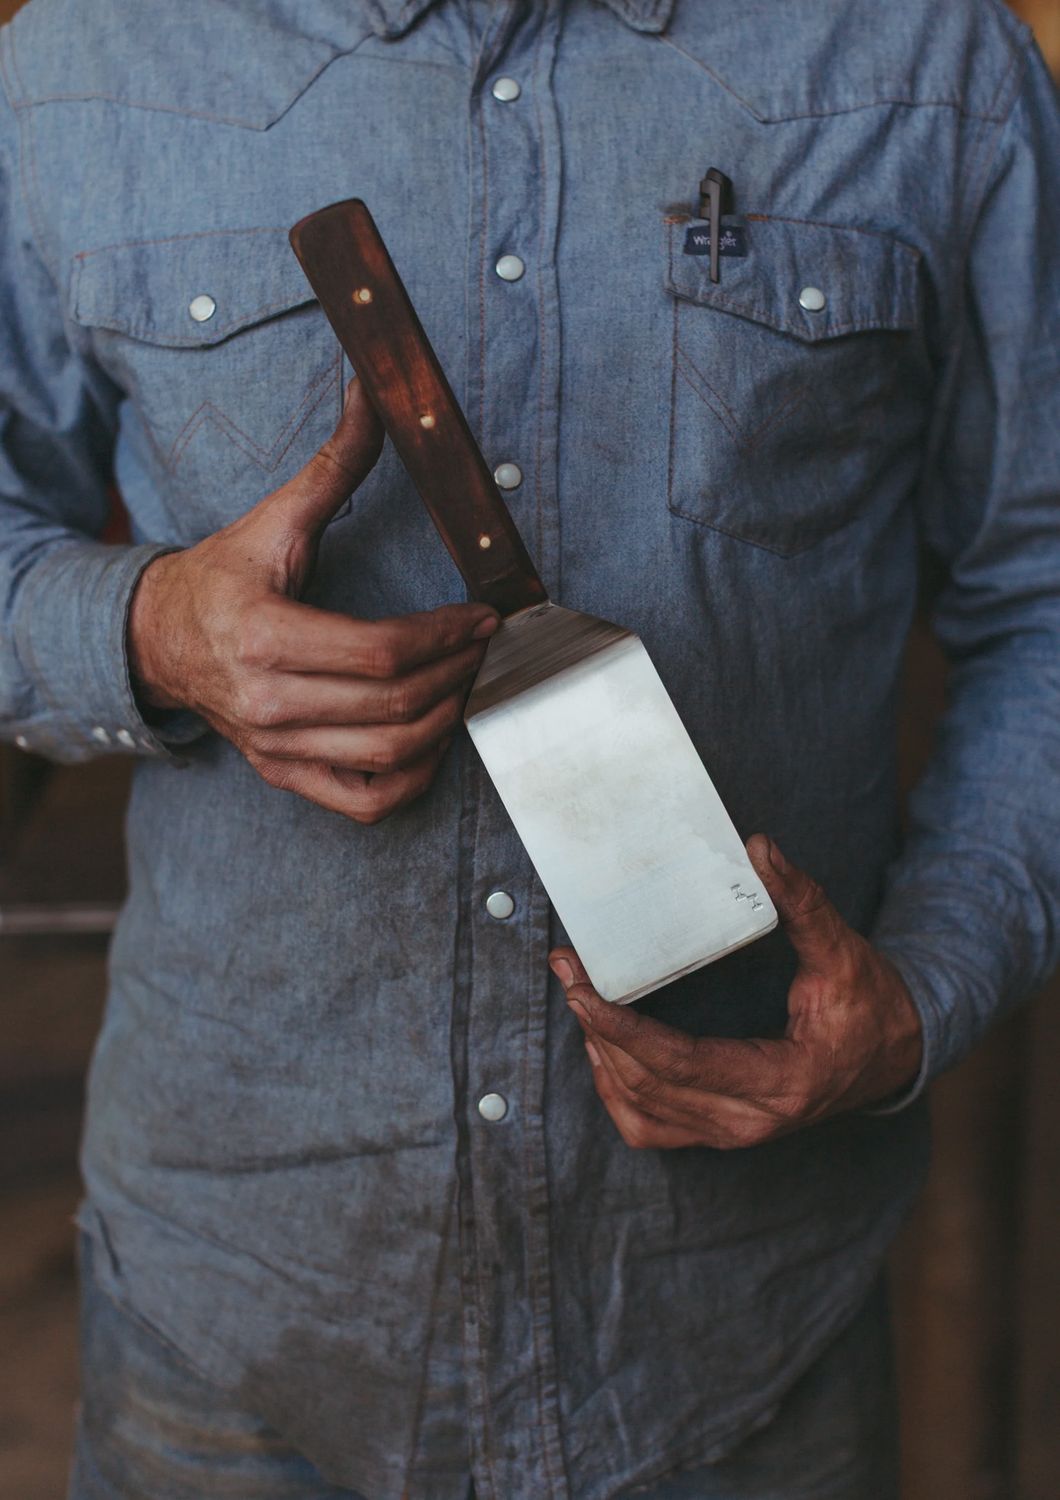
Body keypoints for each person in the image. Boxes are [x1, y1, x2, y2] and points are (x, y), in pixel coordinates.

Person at [1, 0, 1058, 1495]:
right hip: (239, 1321)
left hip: (739, 1323)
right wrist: (152, 628)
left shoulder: (927, 61)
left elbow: (1047, 596)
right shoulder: (87, 60)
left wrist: (929, 987)